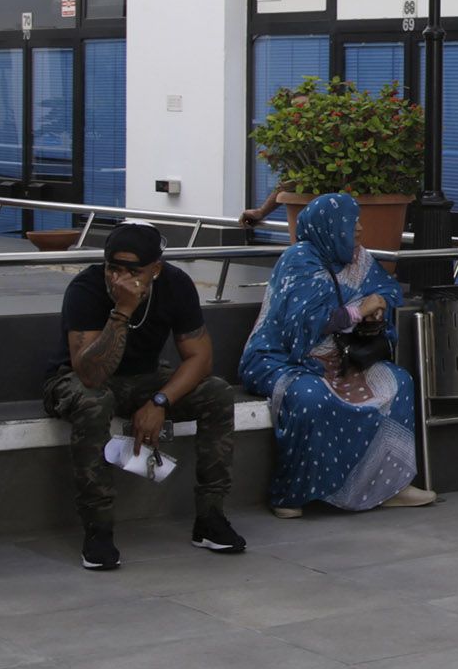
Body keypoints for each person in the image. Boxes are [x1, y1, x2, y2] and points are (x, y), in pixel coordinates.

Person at [47, 222, 246, 572]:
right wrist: (123, 309)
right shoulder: (86, 288)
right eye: (113, 268)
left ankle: (211, 518)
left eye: (133, 270)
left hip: (144, 378)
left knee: (216, 392)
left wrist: (160, 402)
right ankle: (98, 529)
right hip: (75, 378)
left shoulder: (175, 284)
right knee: (94, 402)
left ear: (156, 268)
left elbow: (200, 357)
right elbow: (90, 374)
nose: (120, 278)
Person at [241, 194, 435, 520]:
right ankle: (292, 493)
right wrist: (359, 310)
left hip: (341, 357)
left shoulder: (357, 258)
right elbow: (301, 327)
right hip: (281, 358)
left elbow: (386, 290)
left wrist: (377, 308)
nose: (359, 229)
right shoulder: (298, 260)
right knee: (309, 396)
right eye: (351, 221)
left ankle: (390, 486)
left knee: (398, 382)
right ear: (330, 226)